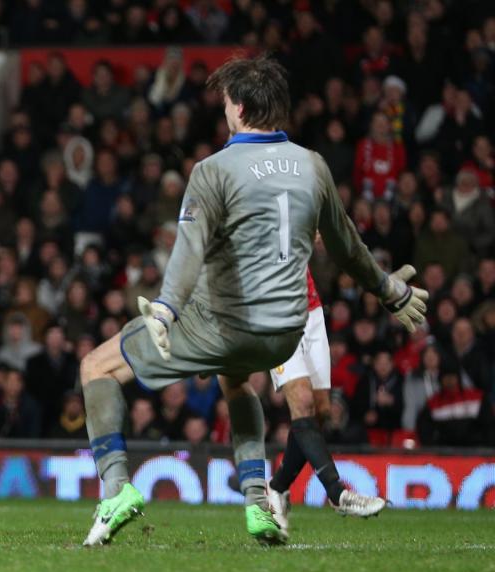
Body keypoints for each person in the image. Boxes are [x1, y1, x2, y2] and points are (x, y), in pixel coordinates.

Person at [79, 56, 427, 547]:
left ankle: (115, 489)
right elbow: (348, 247)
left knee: (96, 367)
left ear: (239, 108)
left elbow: (188, 250)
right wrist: (391, 291)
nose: (224, 112)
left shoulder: (213, 168)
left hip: (220, 325)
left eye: (225, 103)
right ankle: (258, 502)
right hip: (284, 334)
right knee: (236, 379)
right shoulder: (313, 165)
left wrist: (165, 308)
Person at [267, 270, 387, 541]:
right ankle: (337, 493)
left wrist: (382, 284)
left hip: (310, 311)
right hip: (272, 313)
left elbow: (334, 236)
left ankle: (277, 487)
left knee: (320, 411)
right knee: (303, 401)